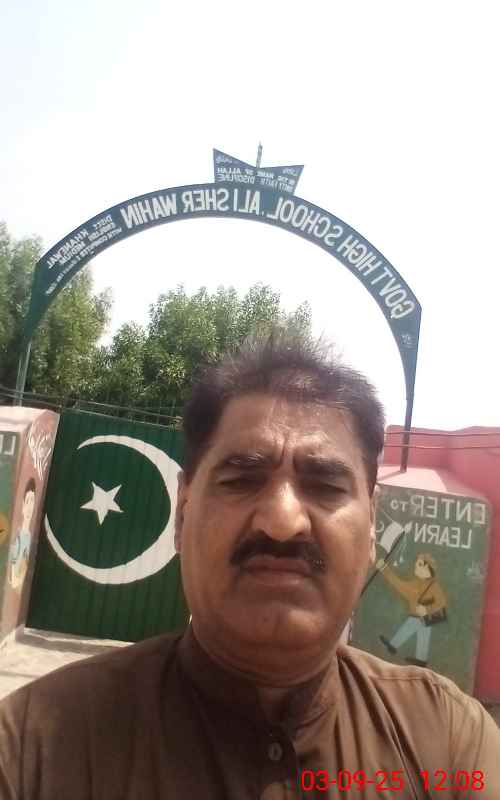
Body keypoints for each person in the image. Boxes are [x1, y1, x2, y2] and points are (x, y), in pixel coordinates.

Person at [0, 331, 499, 799]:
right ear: (183, 512)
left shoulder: (447, 740)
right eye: (241, 480)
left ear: (372, 526)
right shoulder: (31, 749)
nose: (282, 522)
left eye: (325, 486)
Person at [377, 552, 448, 667]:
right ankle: (398, 648)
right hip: (416, 617)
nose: (415, 566)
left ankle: (401, 650)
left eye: (419, 564)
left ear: (427, 567)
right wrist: (384, 569)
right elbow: (398, 584)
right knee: (412, 630)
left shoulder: (434, 586)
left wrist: (427, 610)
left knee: (419, 633)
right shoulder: (414, 584)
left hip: (426, 618)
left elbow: (442, 603)